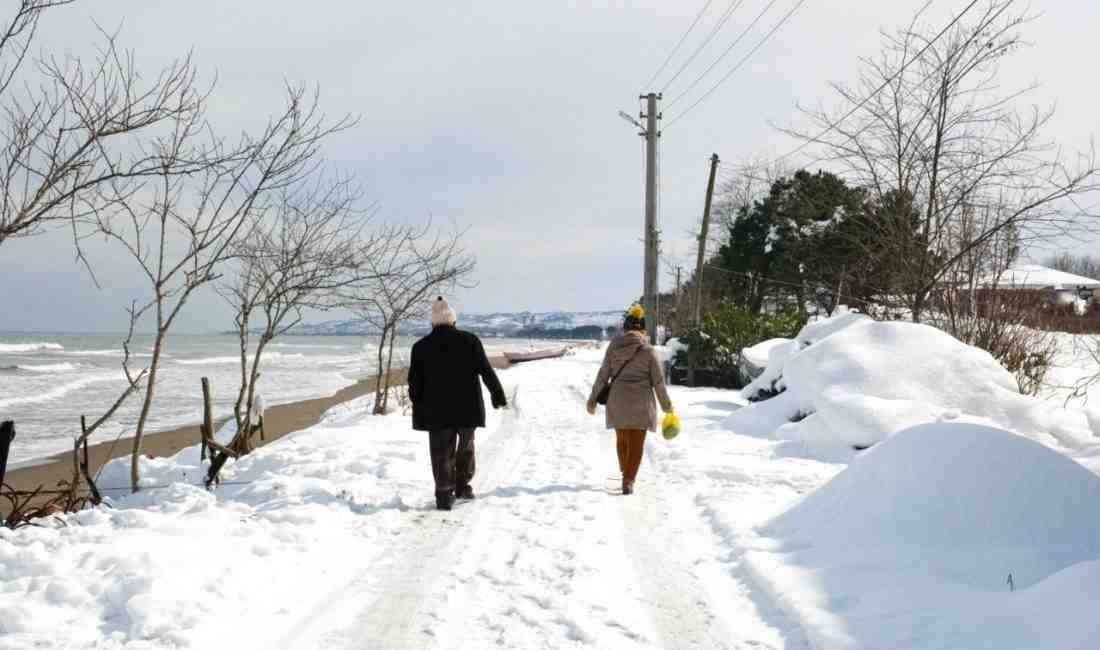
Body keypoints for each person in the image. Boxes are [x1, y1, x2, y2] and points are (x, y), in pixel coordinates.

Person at [408, 296, 508, 511]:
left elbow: (414, 383)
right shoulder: (470, 340)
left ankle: (444, 493)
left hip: (435, 410)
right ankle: (463, 487)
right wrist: (497, 394)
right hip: (467, 407)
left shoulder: (420, 347)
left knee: (441, 451)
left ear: (433, 322)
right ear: (453, 320)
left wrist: (417, 402)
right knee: (465, 448)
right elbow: (485, 370)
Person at [586, 304, 673, 495]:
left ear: (625, 329)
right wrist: (667, 406)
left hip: (618, 401)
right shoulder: (649, 351)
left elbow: (603, 375)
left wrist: (592, 399)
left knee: (622, 439)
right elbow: (658, 382)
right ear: (643, 330)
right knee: (636, 443)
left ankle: (625, 471)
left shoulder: (613, 347)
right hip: (642, 402)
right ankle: (629, 479)